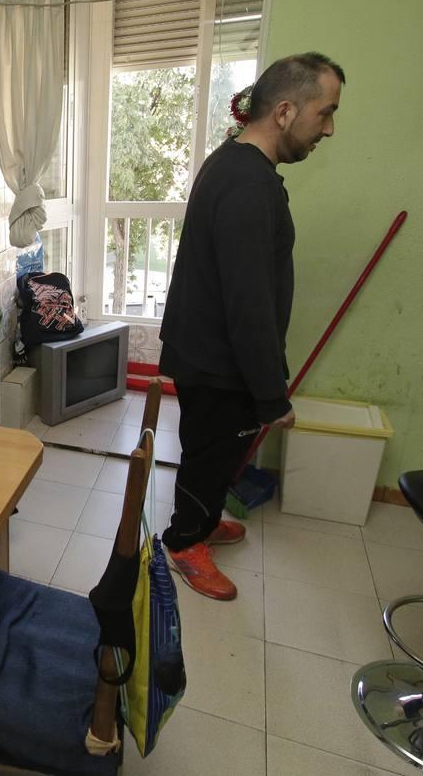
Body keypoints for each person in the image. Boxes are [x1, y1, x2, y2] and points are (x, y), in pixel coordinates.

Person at [157, 52, 345, 602]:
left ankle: (202, 519)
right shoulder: (249, 185)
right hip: (220, 361)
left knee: (210, 453)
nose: (329, 129)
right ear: (285, 112)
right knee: (211, 455)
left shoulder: (236, 163)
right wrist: (271, 395)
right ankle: (185, 542)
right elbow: (249, 303)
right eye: (324, 113)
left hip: (208, 352)